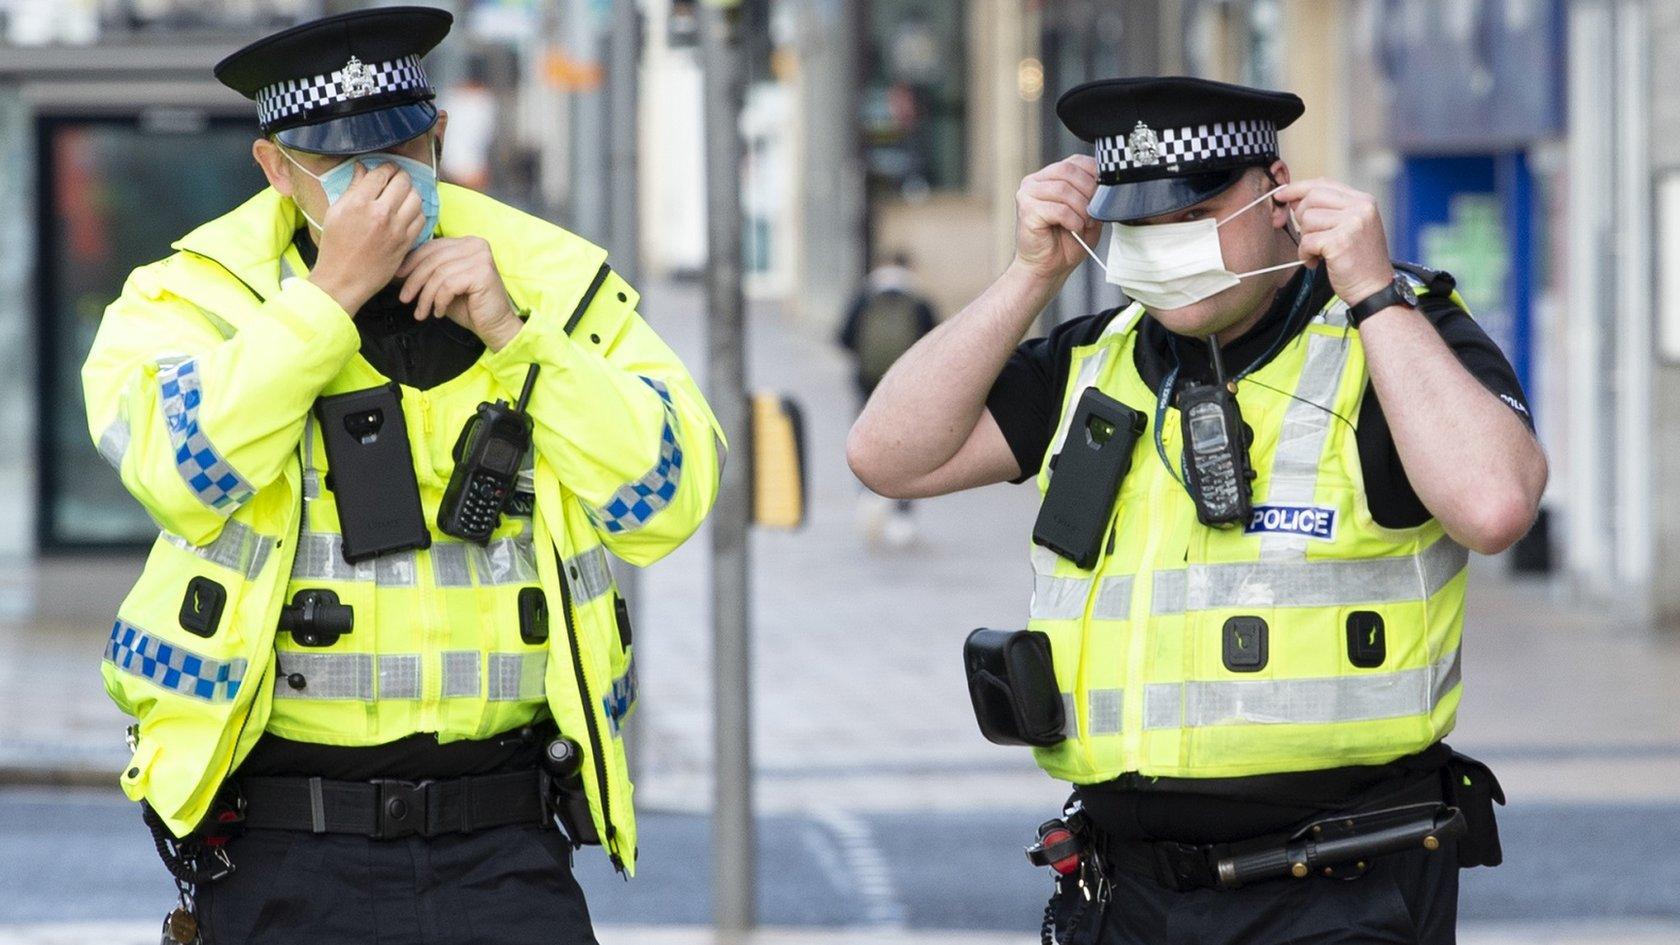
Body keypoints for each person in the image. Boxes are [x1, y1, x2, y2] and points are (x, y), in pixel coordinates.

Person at [847, 75, 1546, 944]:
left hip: (1340, 888)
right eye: (1139, 224)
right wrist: (1031, 274)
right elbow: (887, 454)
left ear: (1279, 194)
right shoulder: (1095, 360)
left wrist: (1373, 293)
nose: (1166, 245)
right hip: (1123, 891)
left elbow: (1496, 504)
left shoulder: (1388, 334)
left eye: (1193, 215)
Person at [81, 7, 723, 943]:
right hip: (284, 841)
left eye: (401, 151)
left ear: (441, 136)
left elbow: (669, 502)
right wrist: (327, 298)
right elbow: (180, 472)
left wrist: (518, 337)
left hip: (505, 837)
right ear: (275, 167)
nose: (379, 187)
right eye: (341, 165)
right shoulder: (191, 295)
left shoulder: (552, 277)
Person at [838, 253, 937, 548]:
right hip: (910, 386)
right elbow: (938, 341)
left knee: (866, 439)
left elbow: (843, 337)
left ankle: (870, 494)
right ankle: (903, 515)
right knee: (908, 447)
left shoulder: (865, 297)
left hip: (868, 385)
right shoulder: (919, 300)